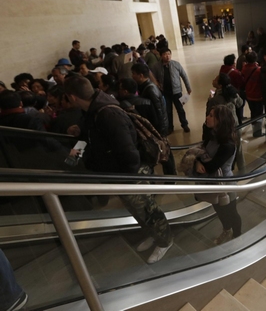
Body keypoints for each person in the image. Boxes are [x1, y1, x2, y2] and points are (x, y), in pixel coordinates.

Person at [63, 76, 174, 264]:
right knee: (137, 210)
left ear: (72, 97)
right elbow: (97, 136)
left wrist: (127, 180)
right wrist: (80, 133)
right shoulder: (92, 109)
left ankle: (165, 240)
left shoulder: (108, 114)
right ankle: (153, 234)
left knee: (147, 209)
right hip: (119, 174)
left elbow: (129, 153)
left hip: (130, 174)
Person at [181, 105, 242, 245]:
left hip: (225, 186)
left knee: (231, 213)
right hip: (212, 184)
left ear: (220, 120)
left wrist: (198, 161)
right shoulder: (212, 135)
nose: (207, 117)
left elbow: (210, 166)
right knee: (219, 210)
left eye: (211, 115)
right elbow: (202, 153)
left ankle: (238, 237)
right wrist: (196, 162)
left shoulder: (228, 144)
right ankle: (226, 230)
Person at [151, 48, 192, 133]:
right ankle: (170, 127)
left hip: (176, 92)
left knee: (180, 109)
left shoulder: (176, 64)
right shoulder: (156, 66)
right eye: (165, 54)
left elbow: (184, 76)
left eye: (169, 54)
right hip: (165, 92)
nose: (167, 56)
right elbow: (152, 77)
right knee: (168, 111)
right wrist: (157, 85)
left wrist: (188, 87)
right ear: (161, 56)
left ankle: (184, 125)